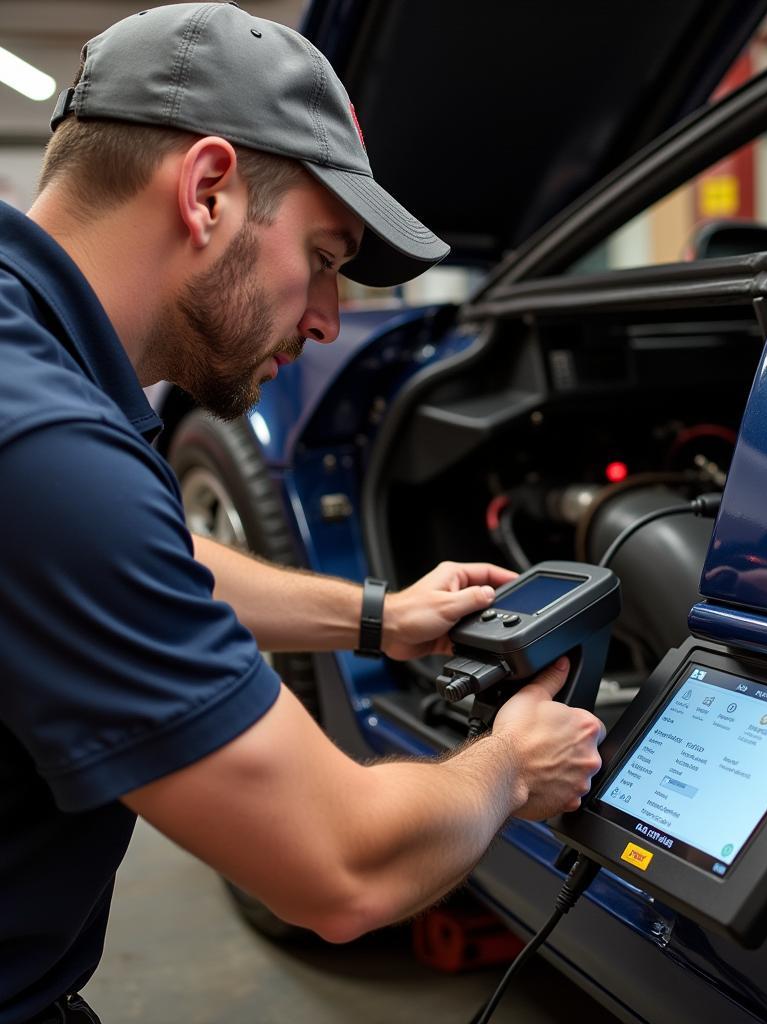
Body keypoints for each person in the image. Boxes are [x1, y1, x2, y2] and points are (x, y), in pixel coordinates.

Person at [0, 4, 605, 1022]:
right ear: (206, 193)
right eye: (323, 256)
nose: (327, 318)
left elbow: (142, 552)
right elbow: (338, 873)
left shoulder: (32, 361)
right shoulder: (42, 445)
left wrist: (379, 615)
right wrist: (511, 764)